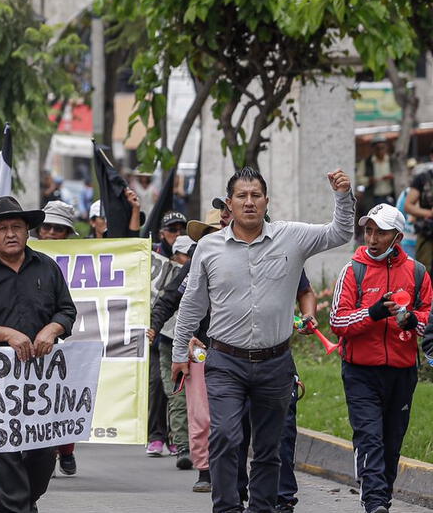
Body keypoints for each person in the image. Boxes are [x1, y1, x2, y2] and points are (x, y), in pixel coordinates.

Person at [172, 167, 354, 513]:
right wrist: (180, 352)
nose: (249, 202)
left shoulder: (292, 237)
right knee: (225, 436)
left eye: (256, 195)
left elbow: (340, 232)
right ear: (230, 203)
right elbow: (192, 304)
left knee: (270, 448)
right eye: (242, 196)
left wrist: (342, 196)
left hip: (275, 364)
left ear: (266, 201)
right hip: (225, 362)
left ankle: (261, 508)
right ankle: (226, 507)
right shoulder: (208, 248)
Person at [0, 196, 76, 513]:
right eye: (2, 228)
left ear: (27, 232)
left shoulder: (47, 268)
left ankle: (18, 505)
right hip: (0, 385)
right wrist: (7, 334)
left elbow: (67, 311)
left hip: (42, 384)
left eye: (17, 227)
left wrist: (52, 329)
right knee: (5, 455)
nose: (10, 234)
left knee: (41, 456)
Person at [329, 203, 430, 513]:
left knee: (391, 441)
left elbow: (429, 318)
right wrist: (372, 313)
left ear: (397, 237)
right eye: (368, 231)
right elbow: (337, 321)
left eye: (381, 233)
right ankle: (374, 502)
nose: (372, 239)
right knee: (370, 438)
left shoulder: (417, 271)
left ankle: (382, 497)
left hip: (402, 371)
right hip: (360, 372)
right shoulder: (352, 270)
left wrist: (412, 320)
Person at [31, 199, 84, 476]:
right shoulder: (23, 257)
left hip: (63, 338)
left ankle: (65, 449)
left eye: (58, 229)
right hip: (25, 340)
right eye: (46, 227)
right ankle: (44, 453)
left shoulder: (83, 258)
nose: (50, 234)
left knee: (61, 398)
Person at [145, 235, 196, 471]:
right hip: (171, 341)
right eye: (185, 254)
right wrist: (154, 326)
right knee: (176, 393)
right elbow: (166, 302)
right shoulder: (190, 268)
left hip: (206, 343)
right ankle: (184, 446)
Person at [406, 152, 433, 271]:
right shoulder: (422, 178)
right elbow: (408, 206)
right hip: (428, 232)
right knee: (424, 271)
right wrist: (429, 213)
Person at [358, 135, 396, 206]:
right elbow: (359, 179)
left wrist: (393, 177)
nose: (380, 151)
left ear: (386, 147)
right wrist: (369, 180)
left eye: (382, 148)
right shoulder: (366, 162)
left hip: (390, 197)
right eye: (377, 148)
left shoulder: (392, 161)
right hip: (372, 199)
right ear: (373, 149)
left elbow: (400, 176)